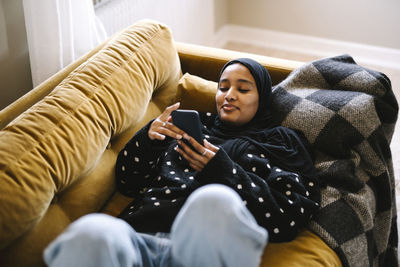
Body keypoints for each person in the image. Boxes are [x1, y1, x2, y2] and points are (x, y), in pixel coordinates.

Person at [44, 58, 320, 267]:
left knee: (213, 200)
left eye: (243, 89)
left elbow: (291, 213)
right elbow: (129, 182)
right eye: (223, 87)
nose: (229, 95)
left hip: (205, 247)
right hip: (139, 240)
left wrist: (222, 170)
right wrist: (149, 138)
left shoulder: (281, 141)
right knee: (93, 230)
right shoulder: (193, 126)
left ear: (262, 98)